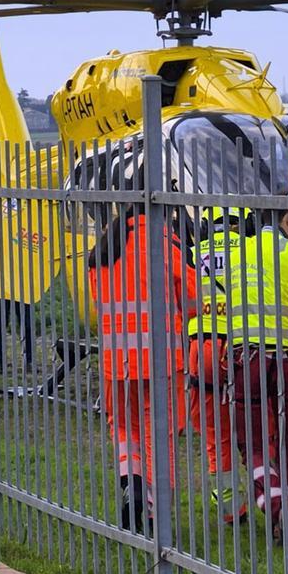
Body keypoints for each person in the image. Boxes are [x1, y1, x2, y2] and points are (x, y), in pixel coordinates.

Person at [88, 205, 195, 532]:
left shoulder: (105, 248)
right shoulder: (165, 243)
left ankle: (131, 483)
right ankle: (153, 512)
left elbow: (97, 304)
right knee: (158, 435)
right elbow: (192, 299)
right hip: (161, 360)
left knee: (122, 425)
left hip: (115, 360)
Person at [228, 205, 288, 550]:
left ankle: (276, 508)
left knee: (254, 444)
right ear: (284, 219)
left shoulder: (237, 252)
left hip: (247, 360)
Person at [187, 205, 249, 524]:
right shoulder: (250, 249)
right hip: (243, 347)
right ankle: (274, 496)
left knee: (216, 432)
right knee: (261, 426)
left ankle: (229, 509)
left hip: (204, 348)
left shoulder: (194, 253)